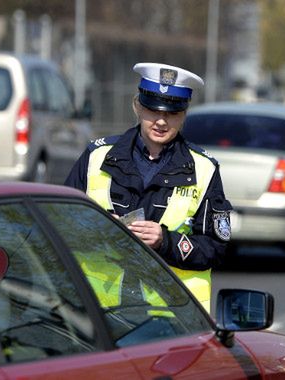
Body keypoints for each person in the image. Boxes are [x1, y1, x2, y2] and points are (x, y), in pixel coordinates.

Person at [65, 62, 232, 313]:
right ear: (137, 107)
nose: (161, 121)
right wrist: (97, 227)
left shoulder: (205, 169)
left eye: (172, 113)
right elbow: (62, 223)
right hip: (99, 312)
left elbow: (216, 248)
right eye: (153, 111)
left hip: (173, 316)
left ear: (184, 114)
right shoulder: (95, 156)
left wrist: (165, 241)